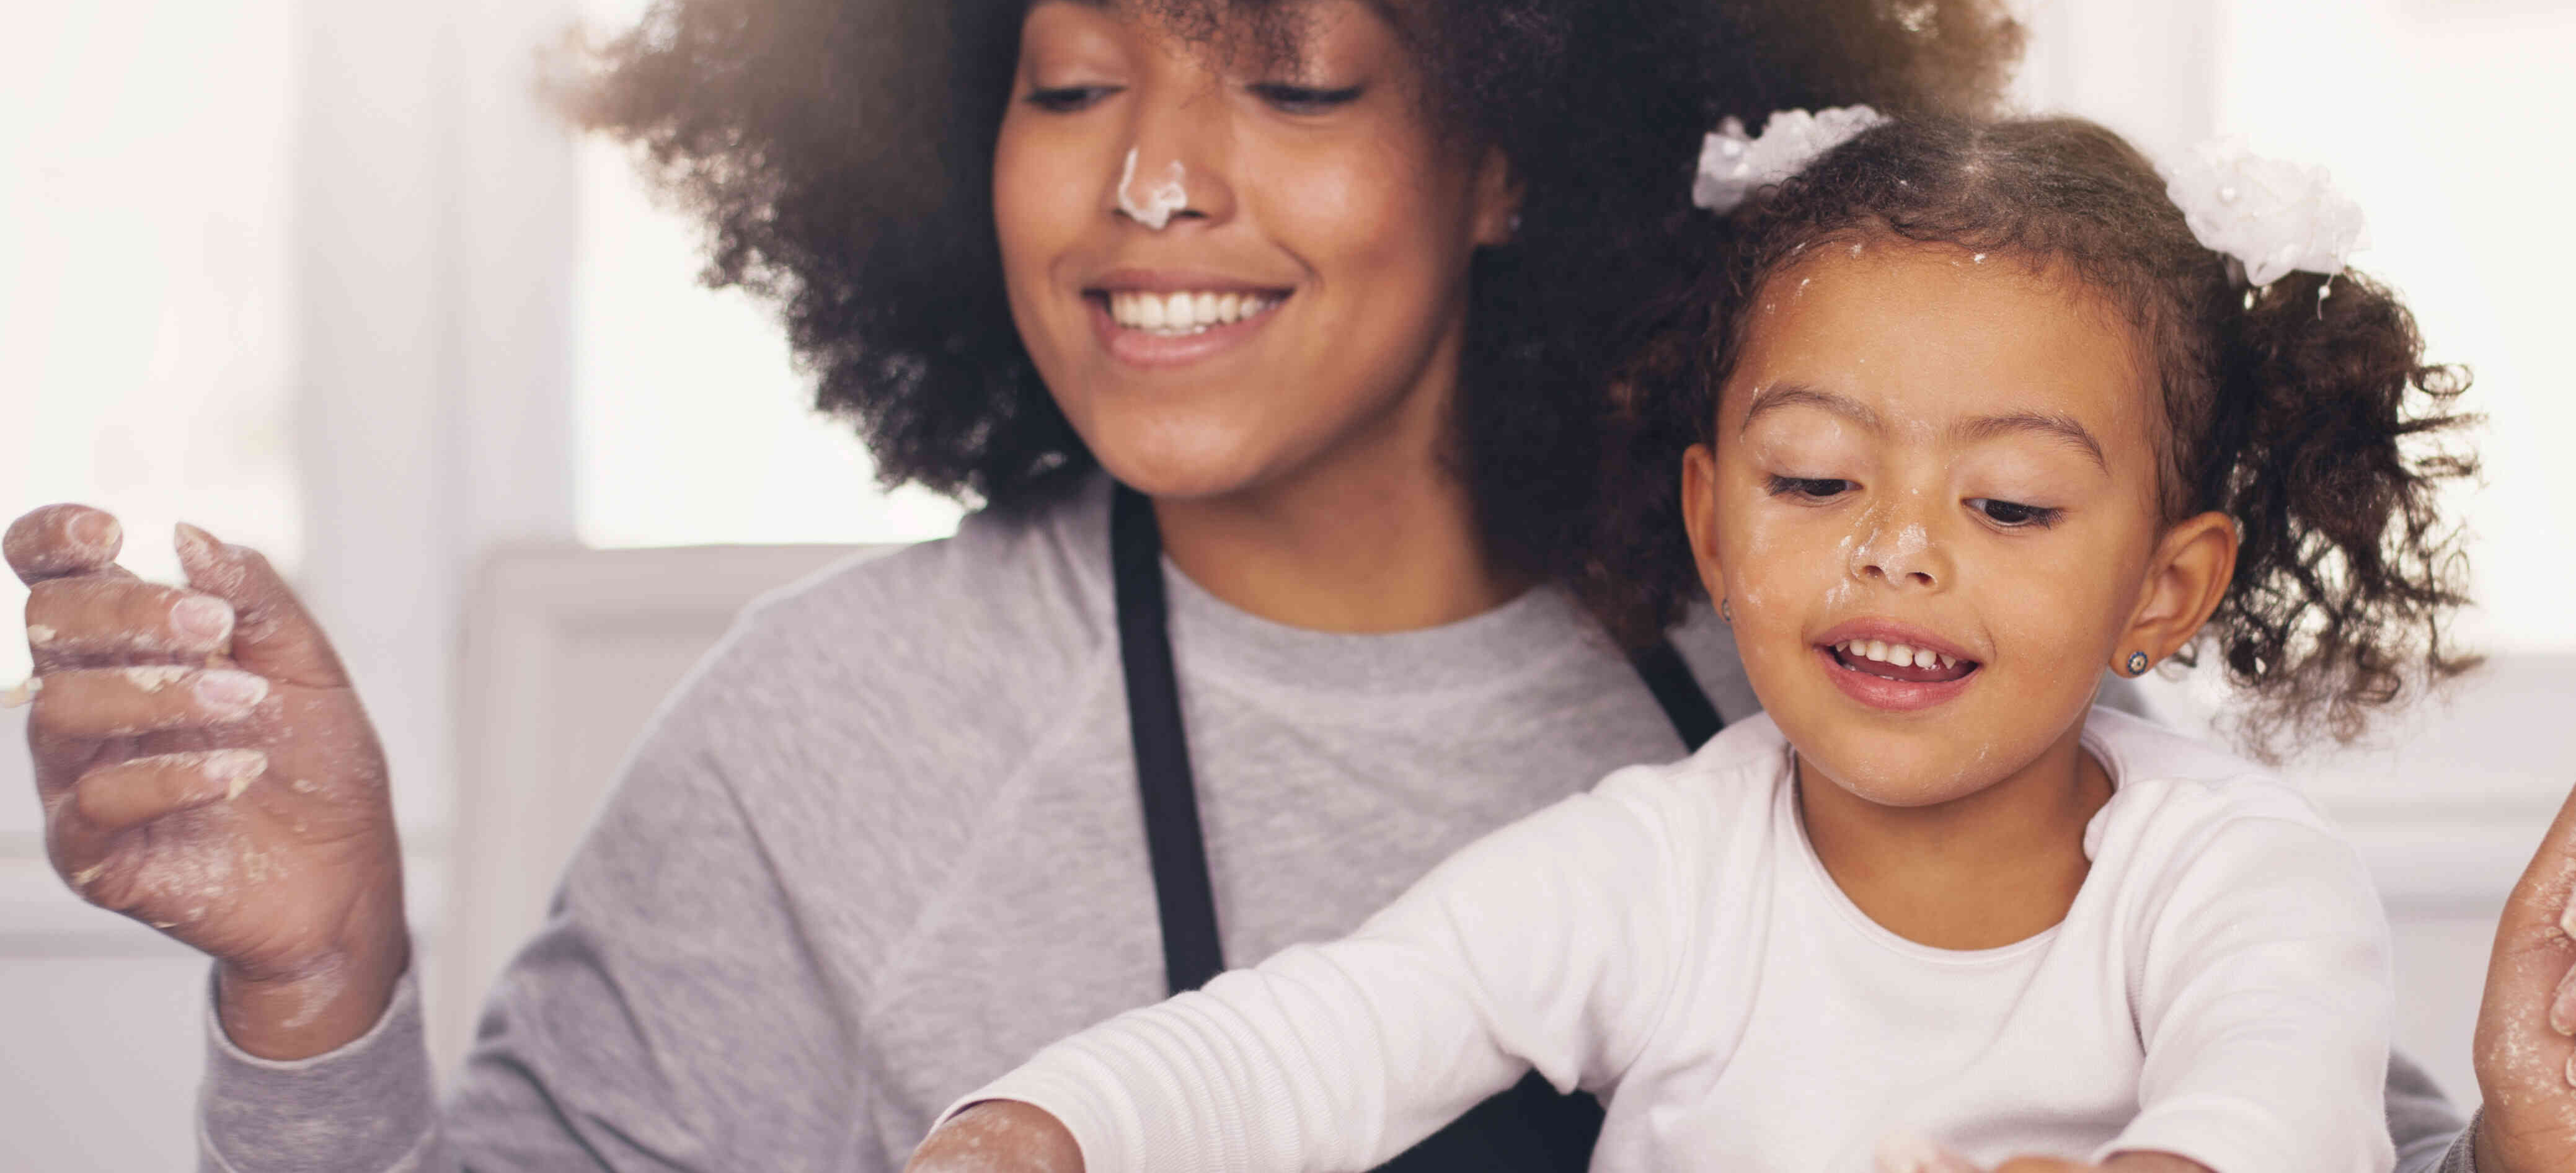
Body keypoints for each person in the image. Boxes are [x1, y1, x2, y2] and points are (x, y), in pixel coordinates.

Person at [5, 0, 2576, 1170]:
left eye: (1303, 79)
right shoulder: (832, 747)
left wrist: (2571, 1151)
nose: (1146, 186)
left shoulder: (1877, 623)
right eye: (1073, 73)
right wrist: (321, 981)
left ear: (1518, 144)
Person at [911, 112, 2437, 1172]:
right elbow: (1333, 1028)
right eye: (1818, 479)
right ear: (1712, 523)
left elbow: (2283, 1100)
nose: (1896, 545)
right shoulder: (1659, 867)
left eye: (2010, 502)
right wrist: (1046, 1124)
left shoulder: (2233, 875)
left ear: (2165, 589)